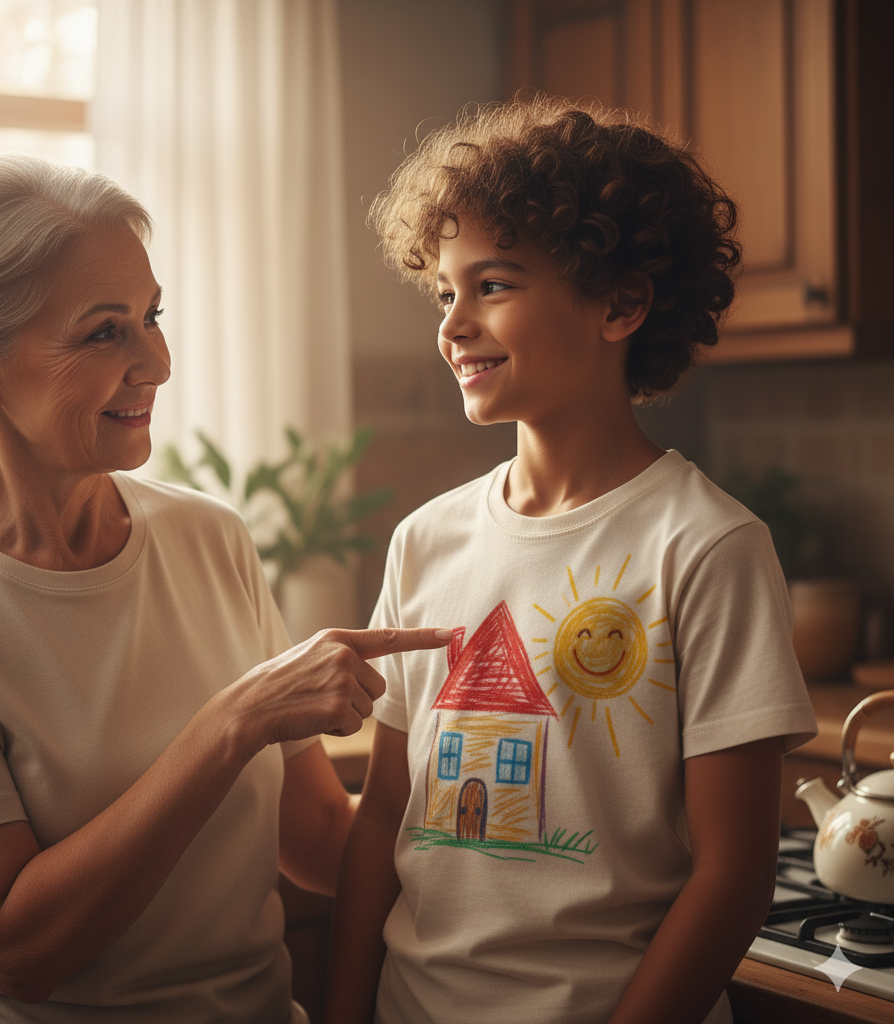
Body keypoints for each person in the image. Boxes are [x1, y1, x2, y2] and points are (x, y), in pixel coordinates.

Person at [0, 152, 452, 1024]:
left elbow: (320, 840)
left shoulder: (208, 538)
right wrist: (233, 721)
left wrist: (538, 829)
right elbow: (14, 945)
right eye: (106, 331)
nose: (158, 361)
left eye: (152, 316)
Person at [323, 98, 818, 1024]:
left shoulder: (707, 545)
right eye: (444, 292)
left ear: (623, 303)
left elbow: (734, 877)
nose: (453, 325)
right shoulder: (425, 539)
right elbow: (384, 816)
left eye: (495, 286)